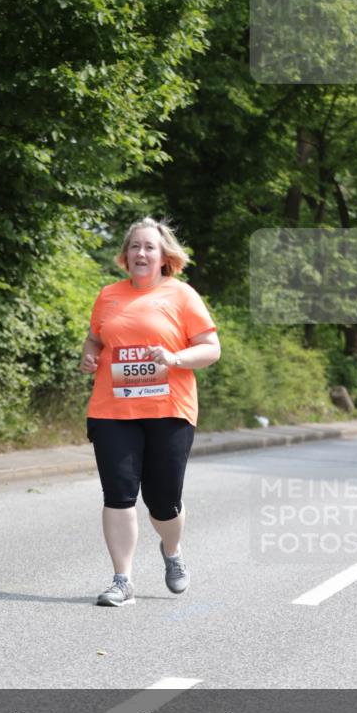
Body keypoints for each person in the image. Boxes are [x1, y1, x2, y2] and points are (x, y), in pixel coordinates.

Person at [81, 217, 220, 607]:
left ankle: (171, 551)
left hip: (169, 410)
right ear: (125, 255)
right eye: (135, 247)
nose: (141, 253)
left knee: (163, 500)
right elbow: (95, 339)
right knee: (118, 494)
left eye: (149, 247)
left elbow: (211, 348)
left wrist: (174, 358)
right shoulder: (108, 295)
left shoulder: (183, 296)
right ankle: (122, 580)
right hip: (112, 410)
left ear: (164, 257)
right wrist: (89, 356)